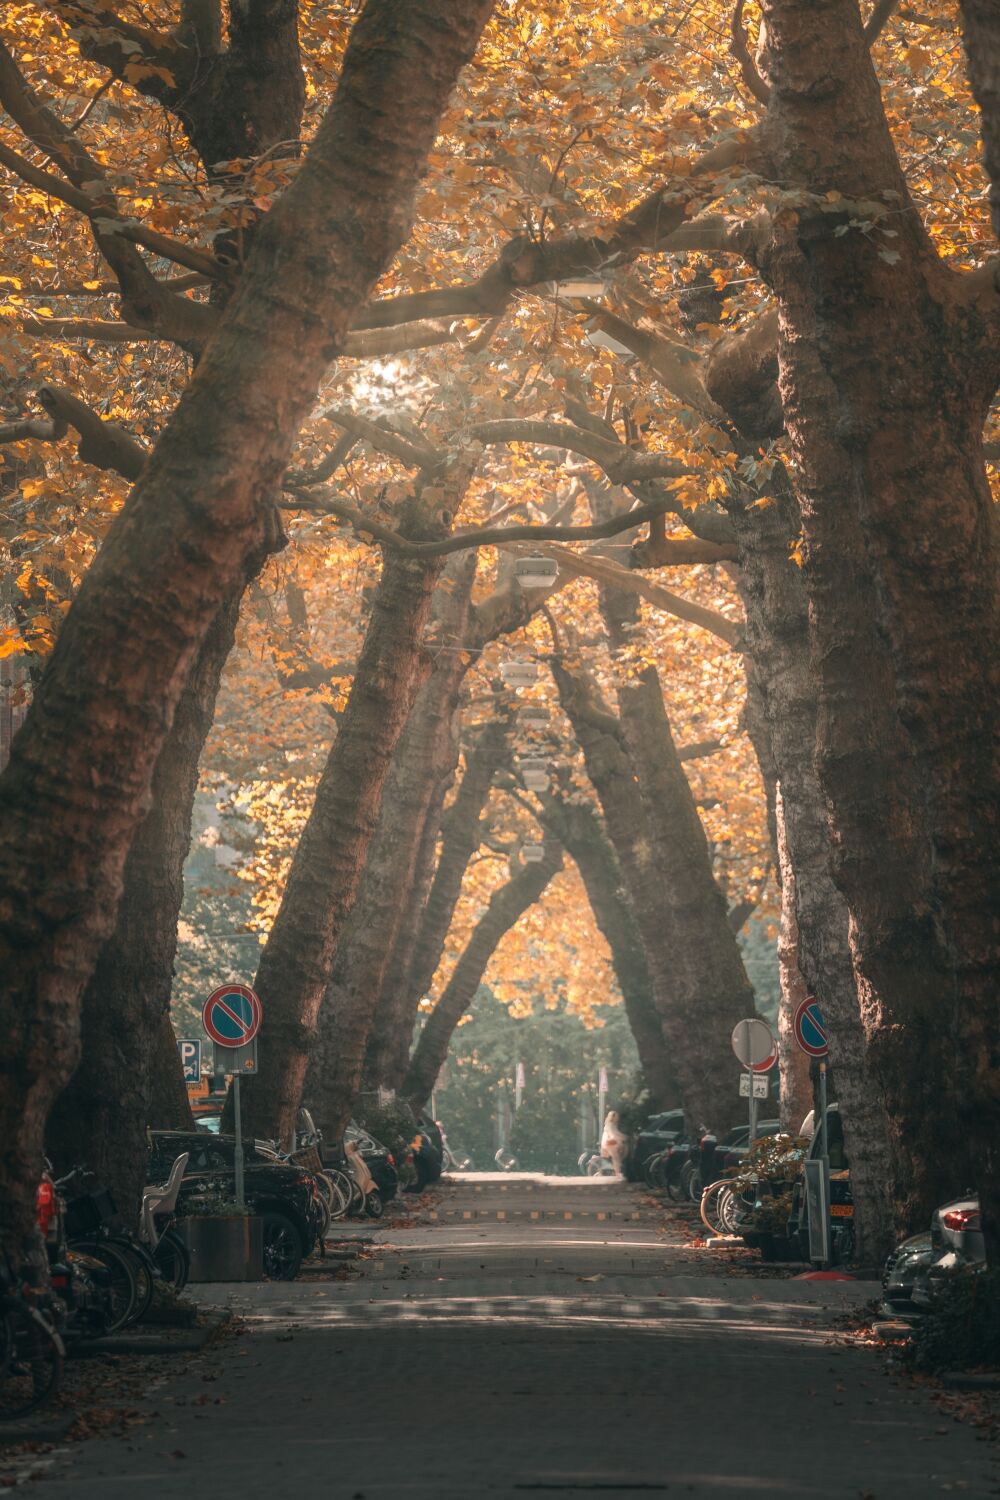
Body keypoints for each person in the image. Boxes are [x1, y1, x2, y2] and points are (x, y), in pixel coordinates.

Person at [600, 1108, 627, 1178]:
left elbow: (617, 1134)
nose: (617, 1118)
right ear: (613, 1117)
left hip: (613, 1142)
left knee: (621, 1152)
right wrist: (625, 1137)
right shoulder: (610, 1125)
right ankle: (617, 1172)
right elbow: (614, 1134)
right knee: (616, 1158)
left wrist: (623, 1137)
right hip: (610, 1144)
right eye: (616, 1116)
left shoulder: (613, 1124)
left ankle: (619, 1169)